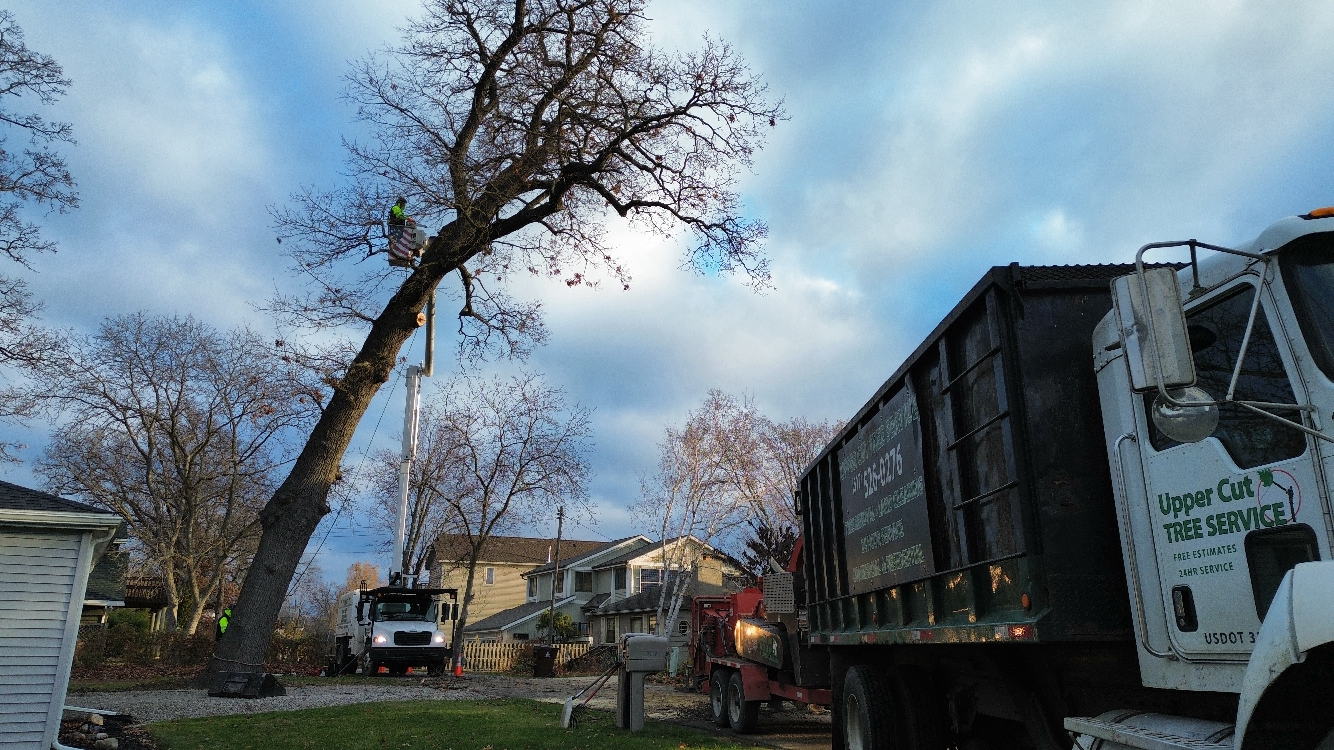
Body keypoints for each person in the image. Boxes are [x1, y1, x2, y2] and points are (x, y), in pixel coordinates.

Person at [387, 197, 416, 267]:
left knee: (399, 238)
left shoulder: (400, 210)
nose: (403, 206)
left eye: (404, 205)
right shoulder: (395, 208)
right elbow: (398, 215)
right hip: (395, 226)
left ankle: (406, 255)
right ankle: (393, 249)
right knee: (395, 238)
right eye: (402, 204)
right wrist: (408, 218)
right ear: (399, 203)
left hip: (399, 227)